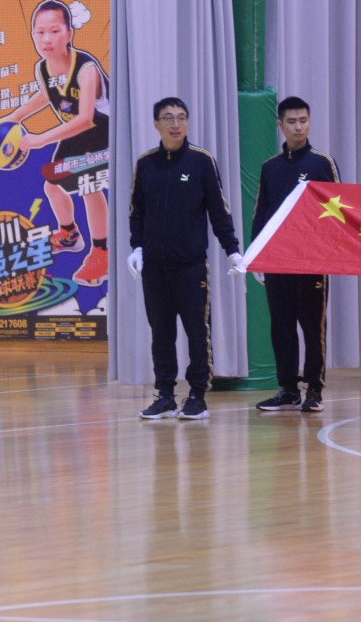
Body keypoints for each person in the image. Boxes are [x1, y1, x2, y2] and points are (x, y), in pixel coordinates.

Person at [127, 97, 244, 420]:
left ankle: (197, 396)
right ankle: (165, 395)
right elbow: (136, 213)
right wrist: (137, 248)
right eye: (168, 118)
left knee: (197, 332)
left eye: (181, 117)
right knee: (161, 333)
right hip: (154, 268)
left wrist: (232, 250)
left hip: (191, 267)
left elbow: (219, 212)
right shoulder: (146, 164)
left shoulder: (201, 162)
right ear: (156, 124)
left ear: (187, 122)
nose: (175, 124)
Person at [4, 0, 111, 286]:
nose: (47, 39)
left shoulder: (86, 69)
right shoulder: (43, 69)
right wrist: (14, 117)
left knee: (89, 187)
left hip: (103, 129)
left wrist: (40, 139)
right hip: (76, 130)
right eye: (40, 32)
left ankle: (102, 253)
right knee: (52, 186)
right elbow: (48, 94)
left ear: (69, 34)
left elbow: (86, 118)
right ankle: (69, 234)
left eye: (54, 31)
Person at [249, 96, 340, 414]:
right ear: (280, 125)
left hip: (312, 262)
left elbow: (340, 210)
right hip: (277, 261)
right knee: (282, 326)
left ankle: (314, 389)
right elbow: (261, 213)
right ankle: (288, 389)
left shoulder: (322, 164)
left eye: (303, 120)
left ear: (310, 122)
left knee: (313, 327)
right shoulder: (270, 168)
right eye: (291, 122)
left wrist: (330, 253)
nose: (298, 127)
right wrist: (256, 255)